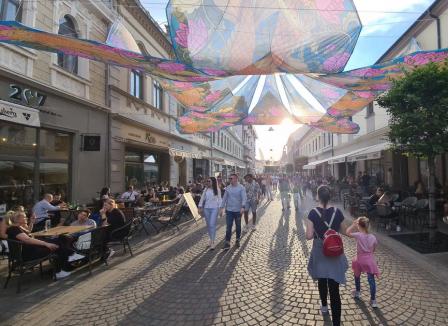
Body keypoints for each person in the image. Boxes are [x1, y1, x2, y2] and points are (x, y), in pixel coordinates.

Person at [305, 186, 348, 326]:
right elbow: (345, 231)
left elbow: (309, 236)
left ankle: (324, 306)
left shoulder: (312, 213)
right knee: (334, 289)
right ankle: (336, 323)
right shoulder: (337, 211)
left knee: (322, 280)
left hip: (320, 250)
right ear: (330, 196)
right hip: (334, 251)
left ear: (318, 196)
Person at [6, 211, 72, 279]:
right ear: (17, 219)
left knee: (58, 240)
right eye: (24, 217)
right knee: (58, 244)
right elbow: (27, 239)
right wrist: (46, 244)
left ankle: (63, 263)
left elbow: (28, 232)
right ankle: (58, 271)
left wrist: (31, 222)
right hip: (28, 255)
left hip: (28, 251)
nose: (26, 218)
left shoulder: (16, 227)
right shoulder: (13, 229)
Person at [346, 216, 380, 308]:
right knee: (371, 280)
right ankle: (373, 301)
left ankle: (358, 292)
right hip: (369, 260)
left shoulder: (358, 235)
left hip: (360, 259)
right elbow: (374, 248)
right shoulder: (373, 237)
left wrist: (353, 225)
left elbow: (347, 232)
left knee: (357, 275)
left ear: (359, 226)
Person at [220, 174, 247, 250]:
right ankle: (227, 242)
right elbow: (224, 198)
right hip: (229, 210)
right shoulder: (228, 188)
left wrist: (243, 207)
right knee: (228, 226)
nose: (230, 180)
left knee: (238, 225)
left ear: (236, 179)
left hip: (238, 210)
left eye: (231, 178)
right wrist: (221, 208)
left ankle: (238, 239)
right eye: (229, 178)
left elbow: (244, 198)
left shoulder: (241, 188)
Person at [198, 177, 222, 250]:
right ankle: (211, 239)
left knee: (212, 224)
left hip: (214, 208)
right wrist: (199, 207)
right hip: (206, 209)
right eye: (207, 181)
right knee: (208, 225)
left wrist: (221, 209)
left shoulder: (217, 190)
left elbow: (220, 199)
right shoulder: (205, 189)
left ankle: (212, 242)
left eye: (209, 181)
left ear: (213, 182)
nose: (207, 182)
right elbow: (202, 198)